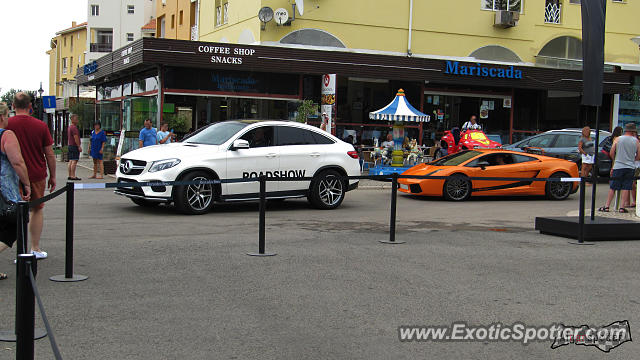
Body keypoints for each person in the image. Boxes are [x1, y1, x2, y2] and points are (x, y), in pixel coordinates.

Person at [6, 92, 55, 259]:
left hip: (11, 175)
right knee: (37, 210)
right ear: (30, 107)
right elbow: (49, 154)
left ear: (13, 106)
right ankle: (35, 248)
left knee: (14, 212)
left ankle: (20, 251)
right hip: (36, 174)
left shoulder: (7, 124)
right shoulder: (40, 126)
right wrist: (53, 176)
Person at [0, 102, 31, 279]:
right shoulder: (6, 135)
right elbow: (17, 162)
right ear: (3, 116)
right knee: (14, 225)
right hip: (5, 191)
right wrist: (26, 183)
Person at [599, 123, 640, 213]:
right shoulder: (636, 141)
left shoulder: (618, 139)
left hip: (618, 166)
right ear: (633, 131)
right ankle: (622, 207)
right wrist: (632, 160)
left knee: (613, 187)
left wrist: (616, 159)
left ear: (626, 130)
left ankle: (607, 206)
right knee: (626, 187)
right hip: (630, 167)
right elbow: (638, 156)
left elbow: (612, 152)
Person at [67, 114, 81, 180]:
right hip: (74, 146)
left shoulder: (70, 127)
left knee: (70, 160)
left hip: (70, 145)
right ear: (72, 119)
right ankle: (73, 175)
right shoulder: (74, 128)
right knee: (74, 161)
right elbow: (76, 137)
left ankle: (70, 175)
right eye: (76, 119)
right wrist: (79, 146)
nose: (77, 120)